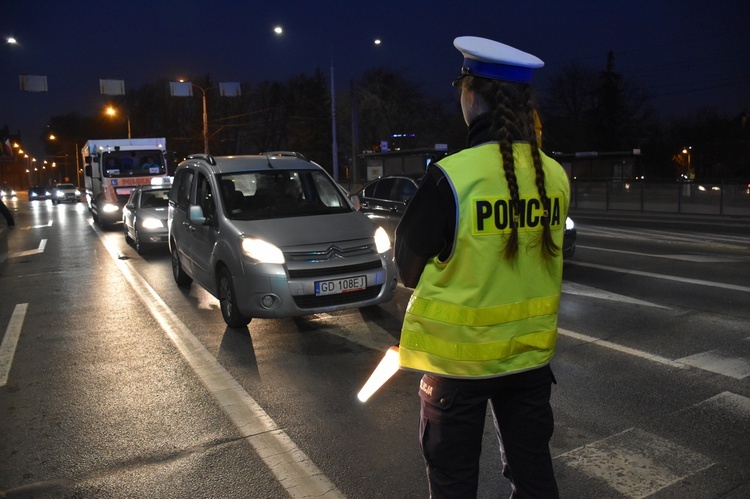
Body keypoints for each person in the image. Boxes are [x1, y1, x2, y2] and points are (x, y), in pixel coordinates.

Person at [395, 36, 570, 498]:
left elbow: (407, 270)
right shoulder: (554, 174)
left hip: (458, 368)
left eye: (461, 88)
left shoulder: (451, 177)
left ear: (472, 94)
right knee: (534, 477)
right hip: (529, 360)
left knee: (453, 483)